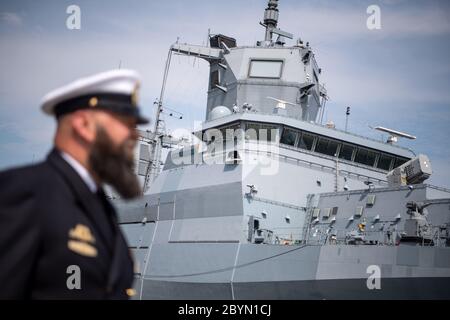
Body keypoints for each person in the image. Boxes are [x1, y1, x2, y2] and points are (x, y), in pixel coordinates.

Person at [0, 69, 149, 299]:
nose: (135, 135)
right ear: (83, 125)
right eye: (126, 123)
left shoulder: (101, 209)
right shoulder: (23, 192)